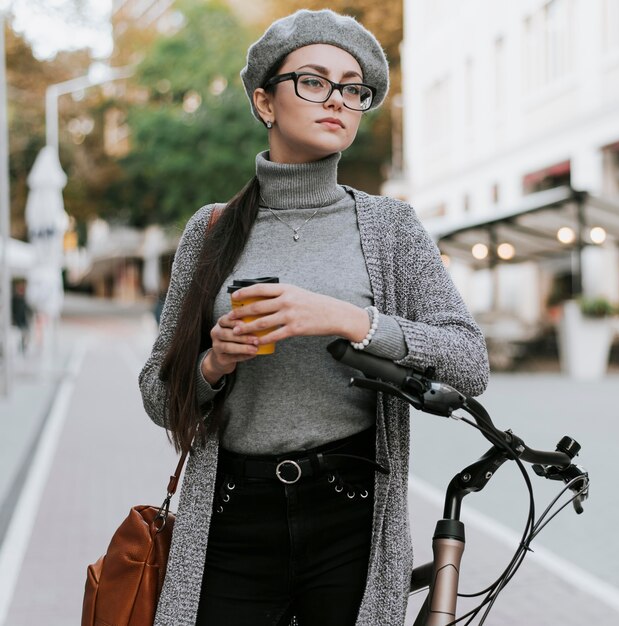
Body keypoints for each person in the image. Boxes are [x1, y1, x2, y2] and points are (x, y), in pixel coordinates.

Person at [139, 9, 489, 626]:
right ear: (265, 101)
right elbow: (155, 392)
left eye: (353, 88)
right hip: (231, 514)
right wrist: (214, 362)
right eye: (313, 81)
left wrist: (349, 318)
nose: (338, 100)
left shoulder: (391, 228)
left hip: (351, 515)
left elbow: (468, 361)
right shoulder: (212, 229)